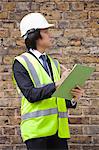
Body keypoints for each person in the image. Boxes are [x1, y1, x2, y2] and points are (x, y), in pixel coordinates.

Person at [12, 13, 84, 150]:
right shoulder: (21, 63)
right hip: (36, 132)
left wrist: (74, 98)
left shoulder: (54, 64)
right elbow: (31, 95)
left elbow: (58, 99)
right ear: (33, 35)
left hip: (58, 132)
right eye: (45, 31)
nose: (50, 35)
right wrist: (58, 83)